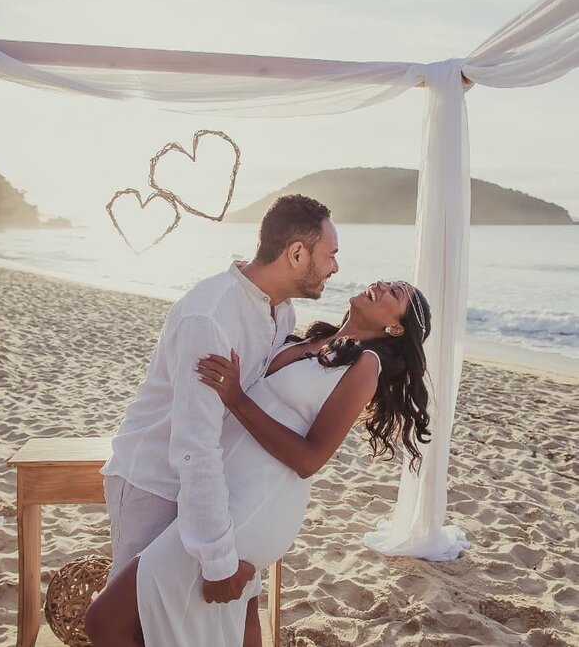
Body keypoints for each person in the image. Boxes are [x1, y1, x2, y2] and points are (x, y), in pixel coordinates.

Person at [87, 277, 432, 647]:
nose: (381, 285)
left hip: (257, 504)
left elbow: (310, 458)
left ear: (395, 327)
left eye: (395, 293)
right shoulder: (309, 337)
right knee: (232, 624)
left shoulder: (366, 365)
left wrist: (236, 398)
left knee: (104, 620)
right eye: (389, 282)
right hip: (222, 491)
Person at [86, 194, 339, 647]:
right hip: (155, 482)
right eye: (330, 254)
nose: (335, 267)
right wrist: (219, 561)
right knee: (137, 625)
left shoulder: (281, 310)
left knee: (208, 625)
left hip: (210, 488)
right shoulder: (211, 314)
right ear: (296, 254)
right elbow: (194, 443)